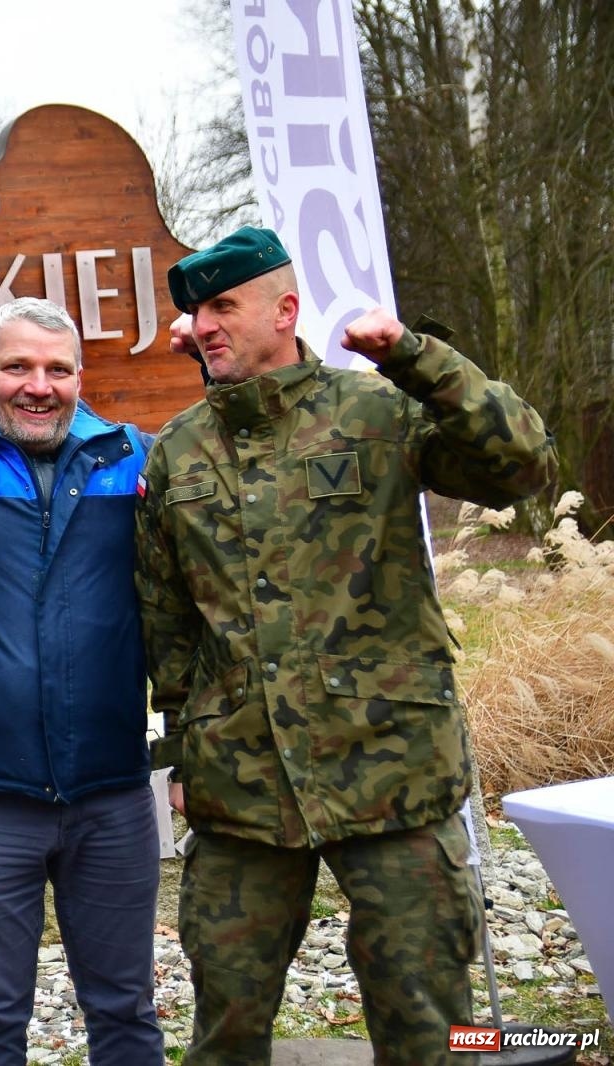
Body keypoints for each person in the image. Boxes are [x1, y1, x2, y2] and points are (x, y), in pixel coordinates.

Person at [134, 226, 558, 1063]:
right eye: (197, 311)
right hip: (242, 787)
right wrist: (180, 754)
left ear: (284, 310)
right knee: (225, 1030)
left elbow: (523, 465)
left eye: (225, 306)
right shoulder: (178, 452)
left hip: (393, 770)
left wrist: (413, 356)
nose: (204, 324)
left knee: (429, 1030)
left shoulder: (377, 411)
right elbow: (169, 621)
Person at [0, 298, 164, 1065]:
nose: (39, 385)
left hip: (112, 795)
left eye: (58, 369)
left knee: (127, 1013)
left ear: (80, 377)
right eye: (17, 367)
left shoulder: (134, 460)